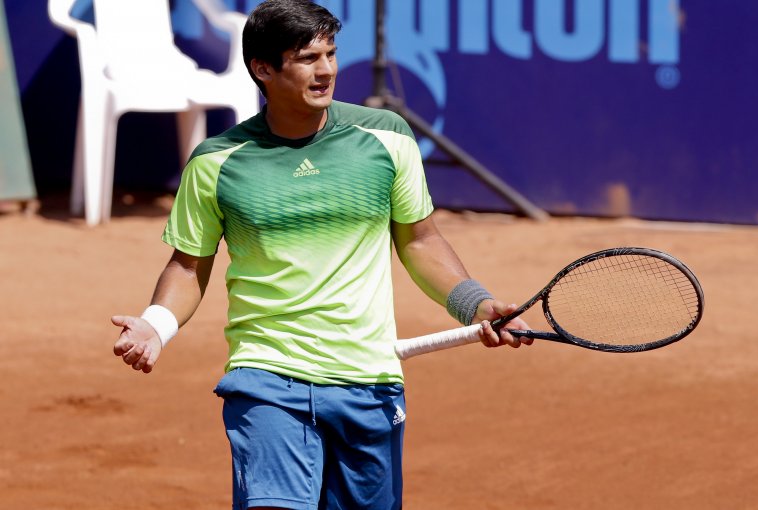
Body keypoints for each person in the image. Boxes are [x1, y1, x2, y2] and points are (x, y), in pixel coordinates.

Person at [111, 1, 530, 508]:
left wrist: (476, 304)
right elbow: (188, 264)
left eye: (330, 53)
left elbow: (419, 241)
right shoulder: (217, 162)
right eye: (308, 58)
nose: (327, 69)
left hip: (368, 382)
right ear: (263, 69)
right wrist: (158, 324)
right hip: (266, 378)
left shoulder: (386, 138)